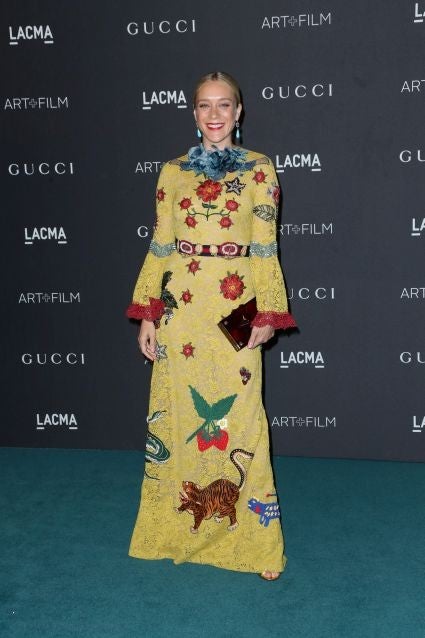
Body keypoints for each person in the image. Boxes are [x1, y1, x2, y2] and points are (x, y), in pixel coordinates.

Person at [126, 71, 296, 581]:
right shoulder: (171, 172)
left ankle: (256, 544)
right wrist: (149, 313)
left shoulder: (260, 170)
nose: (215, 114)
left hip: (235, 308)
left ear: (239, 112)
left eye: (225, 105)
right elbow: (161, 245)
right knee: (178, 414)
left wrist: (268, 311)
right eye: (205, 105)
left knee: (241, 419)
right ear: (194, 113)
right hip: (180, 308)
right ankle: (175, 530)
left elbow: (265, 247)